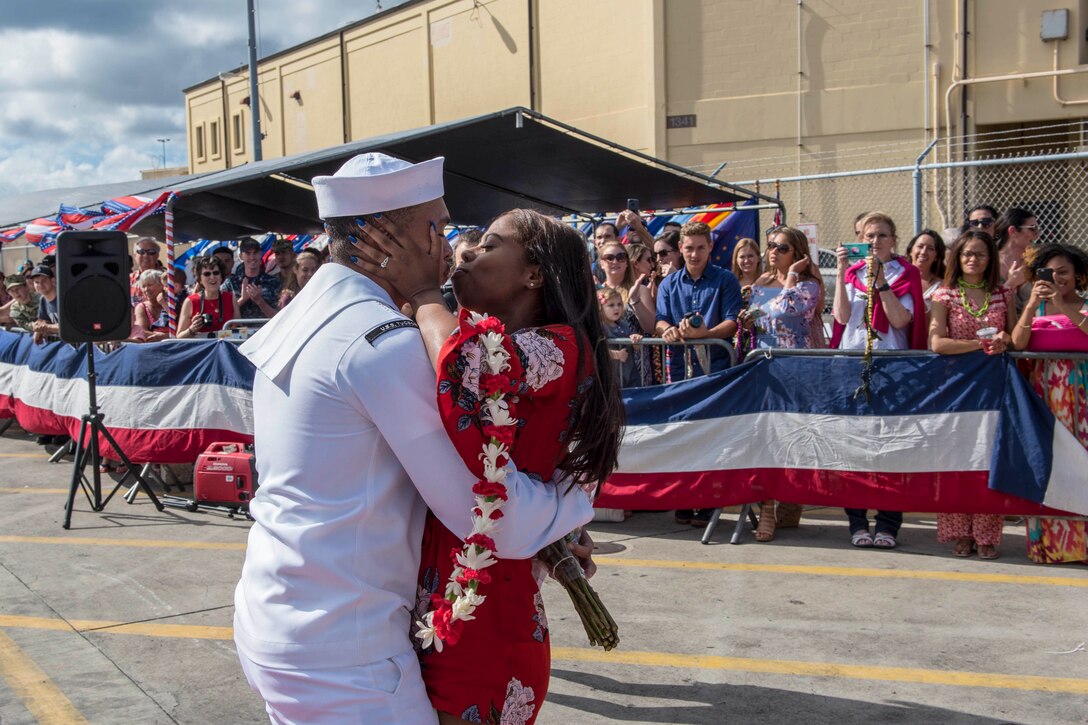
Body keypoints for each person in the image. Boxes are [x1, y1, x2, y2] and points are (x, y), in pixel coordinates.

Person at [232, 153, 594, 724]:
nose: (452, 245)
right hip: (343, 649)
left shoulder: (309, 317)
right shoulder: (381, 340)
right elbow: (485, 512)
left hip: (282, 615)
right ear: (412, 235)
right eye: (442, 225)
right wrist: (574, 502)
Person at [351, 204, 621, 725]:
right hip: (450, 582)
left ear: (533, 274)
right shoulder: (490, 335)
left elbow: (470, 370)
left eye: (490, 244)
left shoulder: (562, 347)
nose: (466, 250)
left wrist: (427, 296)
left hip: (487, 613)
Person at [832, 212, 926, 549]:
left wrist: (881, 282)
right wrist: (843, 271)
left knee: (891, 447)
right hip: (853, 362)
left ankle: (888, 522)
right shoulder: (852, 273)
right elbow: (841, 318)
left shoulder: (907, 274)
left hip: (892, 365)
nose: (875, 242)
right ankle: (857, 521)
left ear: (894, 239)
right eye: (869, 236)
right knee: (854, 447)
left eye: (882, 236)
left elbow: (901, 319)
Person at [930, 230, 1015, 560]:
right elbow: (937, 343)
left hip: (994, 387)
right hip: (955, 389)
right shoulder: (945, 295)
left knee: (987, 462)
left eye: (980, 254)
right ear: (956, 258)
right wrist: (980, 347)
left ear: (990, 259)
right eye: (966, 254)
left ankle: (987, 535)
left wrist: (1003, 340)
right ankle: (958, 533)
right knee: (957, 462)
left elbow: (1011, 336)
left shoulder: (1003, 294)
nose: (972, 259)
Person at [655, 220, 742, 528]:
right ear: (681, 248)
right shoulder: (669, 284)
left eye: (700, 248)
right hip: (680, 371)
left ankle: (707, 501)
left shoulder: (725, 280)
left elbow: (732, 321)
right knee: (681, 434)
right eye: (689, 248)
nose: (694, 254)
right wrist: (666, 331)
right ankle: (685, 498)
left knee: (712, 434)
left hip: (716, 370)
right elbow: (661, 320)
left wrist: (707, 334)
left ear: (710, 248)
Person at [737, 226, 821, 541]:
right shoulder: (761, 282)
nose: (773, 251)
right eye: (770, 245)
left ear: (797, 254)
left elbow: (787, 310)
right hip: (764, 368)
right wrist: (746, 316)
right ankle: (769, 509)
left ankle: (788, 507)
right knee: (766, 439)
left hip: (796, 371)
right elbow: (757, 318)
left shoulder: (808, 284)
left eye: (781, 247)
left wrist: (791, 278)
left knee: (792, 440)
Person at [1010, 243, 1088, 564]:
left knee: (1082, 467)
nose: (1057, 277)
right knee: (1048, 467)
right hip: (1043, 399)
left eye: (1064, 272)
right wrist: (1031, 306)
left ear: (1079, 275)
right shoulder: (1036, 308)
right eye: (1050, 272)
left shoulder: (1085, 304)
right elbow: (1017, 343)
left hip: (1080, 399)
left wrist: (1062, 305)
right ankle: (1050, 545)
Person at [176, 256, 236, 339]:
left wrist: (232, 330)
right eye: (207, 274)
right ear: (200, 279)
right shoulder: (190, 301)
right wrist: (192, 329)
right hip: (201, 348)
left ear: (221, 276)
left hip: (224, 347)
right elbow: (179, 337)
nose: (212, 277)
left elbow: (239, 330)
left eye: (216, 273)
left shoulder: (230, 298)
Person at [221, 238, 280, 319]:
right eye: (248, 253)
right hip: (238, 330)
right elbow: (222, 315)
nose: (252, 257)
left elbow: (280, 316)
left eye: (255, 253)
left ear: (260, 254)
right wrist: (242, 299)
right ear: (241, 256)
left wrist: (260, 301)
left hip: (265, 329)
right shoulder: (230, 283)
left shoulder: (274, 282)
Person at [601, 287, 643, 388]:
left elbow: (636, 348)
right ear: (600, 308)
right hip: (611, 379)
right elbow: (596, 349)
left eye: (619, 304)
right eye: (611, 305)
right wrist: (616, 355)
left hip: (630, 375)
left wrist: (636, 340)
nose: (617, 308)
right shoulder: (600, 327)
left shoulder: (624, 325)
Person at [906, 229, 947, 318]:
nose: (923, 252)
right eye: (920, 246)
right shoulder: (898, 277)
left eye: (930, 248)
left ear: (936, 256)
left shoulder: (942, 286)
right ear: (911, 250)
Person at [132, 270, 170, 342]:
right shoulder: (141, 308)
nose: (146, 289)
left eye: (149, 285)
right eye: (143, 286)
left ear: (161, 285)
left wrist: (165, 337)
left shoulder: (172, 303)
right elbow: (142, 332)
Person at [29, 265, 60, 344]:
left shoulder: (64, 298)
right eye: (37, 282)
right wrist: (38, 330)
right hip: (64, 346)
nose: (40, 285)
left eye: (44, 280)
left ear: (53, 280)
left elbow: (68, 327)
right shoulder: (43, 299)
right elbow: (44, 320)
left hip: (81, 347)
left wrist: (46, 327)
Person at [129, 237, 161, 305]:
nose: (145, 255)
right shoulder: (128, 280)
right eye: (141, 252)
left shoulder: (166, 279)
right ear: (135, 255)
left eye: (151, 252)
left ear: (157, 255)